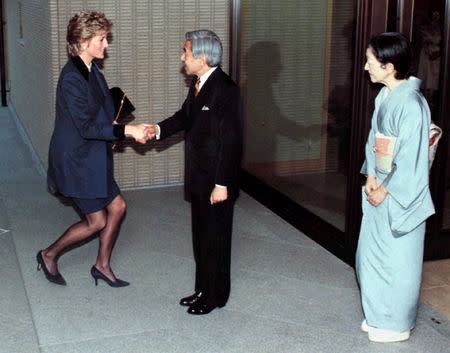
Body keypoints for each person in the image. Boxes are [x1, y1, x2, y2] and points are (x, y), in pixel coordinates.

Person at [37, 11, 151, 287]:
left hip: (93, 157)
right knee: (96, 221)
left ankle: (101, 265)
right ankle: (48, 254)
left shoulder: (91, 69)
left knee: (118, 207)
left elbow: (99, 111)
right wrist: (128, 130)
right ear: (84, 41)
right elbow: (86, 127)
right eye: (102, 39)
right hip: (76, 161)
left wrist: (118, 124)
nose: (106, 45)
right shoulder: (71, 79)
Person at [149, 30, 242, 315]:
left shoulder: (226, 89)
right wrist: (157, 129)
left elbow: (231, 141)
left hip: (216, 181)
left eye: (186, 53)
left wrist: (222, 183)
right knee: (201, 236)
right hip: (200, 177)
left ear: (202, 57)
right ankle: (203, 289)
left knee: (216, 239)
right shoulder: (198, 83)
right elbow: (184, 117)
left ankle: (216, 296)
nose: (182, 58)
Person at [356, 32, 435, 343]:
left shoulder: (413, 104)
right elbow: (373, 141)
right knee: (371, 254)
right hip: (380, 185)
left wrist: (385, 188)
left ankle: (396, 323)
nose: (366, 67)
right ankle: (377, 315)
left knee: (397, 260)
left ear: (389, 67)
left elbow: (411, 158)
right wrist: (371, 177)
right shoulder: (385, 96)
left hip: (400, 194)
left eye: (371, 62)